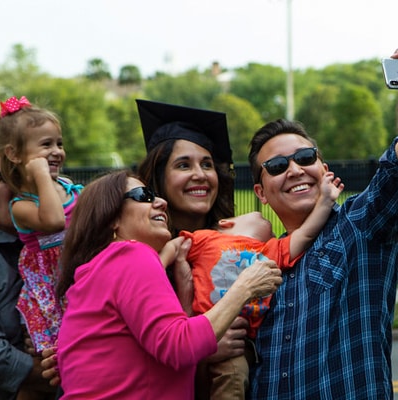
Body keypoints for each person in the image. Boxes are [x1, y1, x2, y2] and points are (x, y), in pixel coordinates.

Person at [247, 46, 398, 399]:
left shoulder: (358, 226)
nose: (295, 169)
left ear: (323, 168)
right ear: (261, 192)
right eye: (277, 166)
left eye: (304, 157)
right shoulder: (257, 264)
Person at [55, 169, 283, 399]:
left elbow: (152, 355)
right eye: (144, 195)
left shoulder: (95, 273)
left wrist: (184, 294)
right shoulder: (131, 254)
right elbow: (179, 347)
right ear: (111, 217)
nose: (162, 202)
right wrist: (245, 287)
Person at [179, 169, 343, 399]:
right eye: (258, 217)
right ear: (226, 223)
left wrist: (326, 201)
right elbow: (176, 248)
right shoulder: (207, 239)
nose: (268, 225)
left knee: (233, 378)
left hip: (237, 342)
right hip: (203, 327)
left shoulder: (268, 251)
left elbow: (304, 235)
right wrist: (161, 262)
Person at [136, 99, 251, 396]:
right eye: (183, 165)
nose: (200, 174)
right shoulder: (141, 255)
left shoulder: (237, 244)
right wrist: (200, 346)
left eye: (207, 164)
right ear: (158, 177)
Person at [0, 96, 83, 354]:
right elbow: (55, 221)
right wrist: (41, 174)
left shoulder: (66, 185)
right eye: (46, 145)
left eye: (59, 143)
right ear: (13, 154)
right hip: (54, 291)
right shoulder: (21, 205)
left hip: (80, 272)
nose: (56, 151)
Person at [0, 155, 56, 400]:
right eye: (3, 178)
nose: (18, 186)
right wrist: (43, 372)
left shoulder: (62, 244)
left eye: (26, 175)